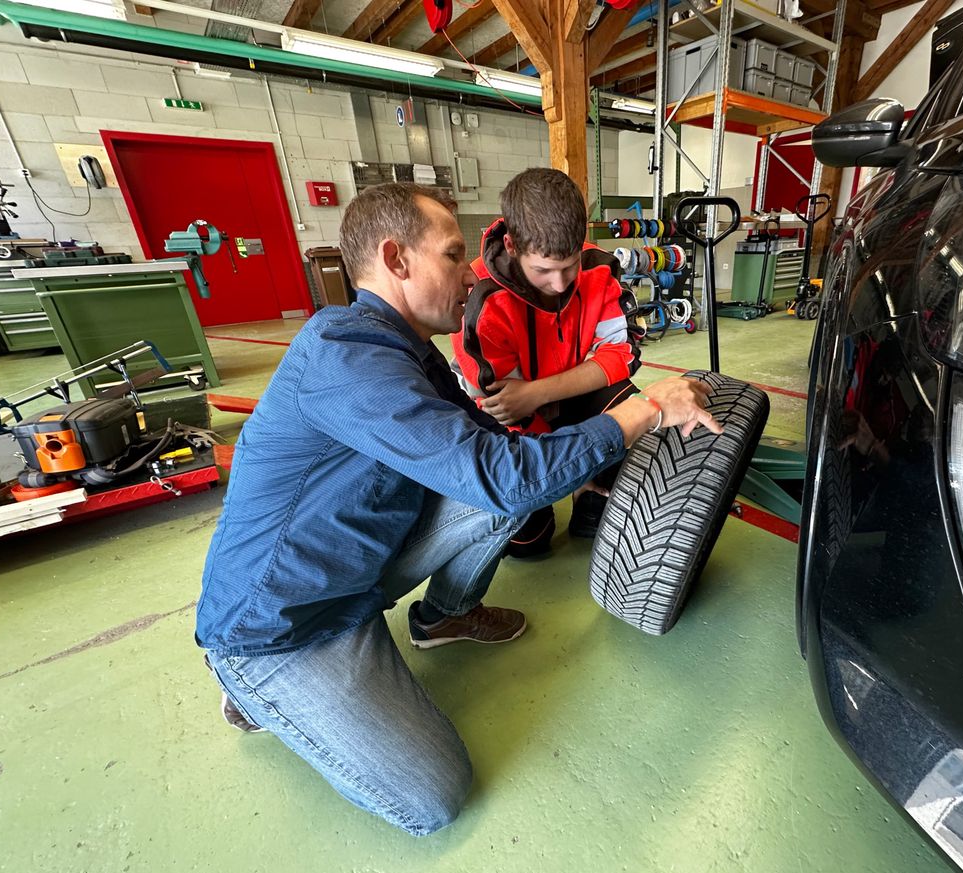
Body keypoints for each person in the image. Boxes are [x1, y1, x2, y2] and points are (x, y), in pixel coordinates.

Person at [195, 182, 721, 837]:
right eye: (452, 255)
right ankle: (252, 690)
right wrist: (643, 411)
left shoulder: (408, 353)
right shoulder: (346, 356)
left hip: (352, 568)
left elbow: (499, 453)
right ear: (396, 259)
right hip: (281, 622)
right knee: (434, 798)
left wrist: (596, 450)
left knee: (495, 499)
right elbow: (502, 476)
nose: (470, 275)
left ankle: (443, 618)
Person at [450, 168, 642, 556]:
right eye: (543, 271)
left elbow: (623, 355)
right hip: (508, 421)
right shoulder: (479, 301)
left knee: (630, 407)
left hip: (555, 396)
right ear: (512, 244)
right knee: (529, 542)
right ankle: (566, 492)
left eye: (569, 266)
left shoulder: (601, 268)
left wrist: (537, 392)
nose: (559, 285)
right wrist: (569, 467)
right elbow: (506, 408)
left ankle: (592, 492)